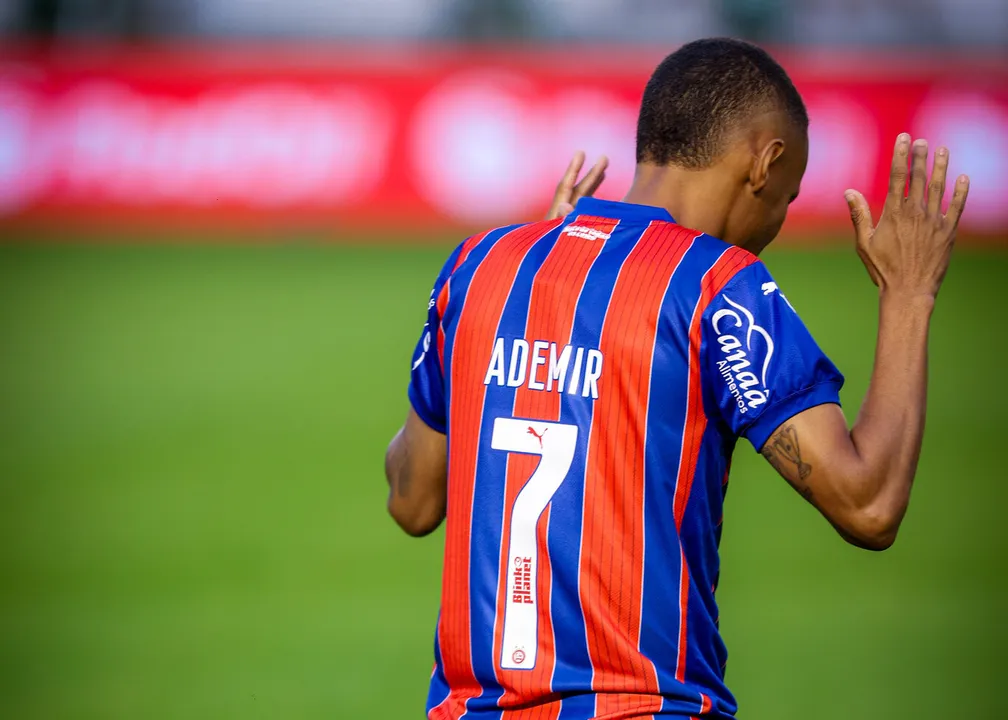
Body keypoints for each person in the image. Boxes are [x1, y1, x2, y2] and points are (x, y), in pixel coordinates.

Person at [384, 37, 969, 719]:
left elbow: (412, 501)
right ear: (766, 160)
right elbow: (868, 505)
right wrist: (909, 294)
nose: (776, 222)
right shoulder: (719, 286)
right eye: (787, 196)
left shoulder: (481, 267)